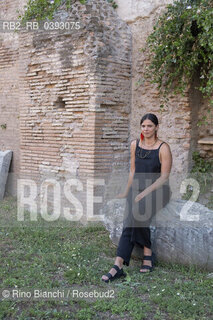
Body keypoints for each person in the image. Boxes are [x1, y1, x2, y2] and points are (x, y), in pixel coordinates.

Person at [101, 113, 172, 282]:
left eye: (149, 126)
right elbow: (133, 171)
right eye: (143, 126)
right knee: (131, 217)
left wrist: (144, 193)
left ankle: (145, 251)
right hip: (137, 188)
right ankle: (119, 264)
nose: (146, 129)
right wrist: (127, 192)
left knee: (138, 211)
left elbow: (164, 177)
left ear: (156, 127)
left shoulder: (163, 148)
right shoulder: (135, 145)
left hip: (159, 190)